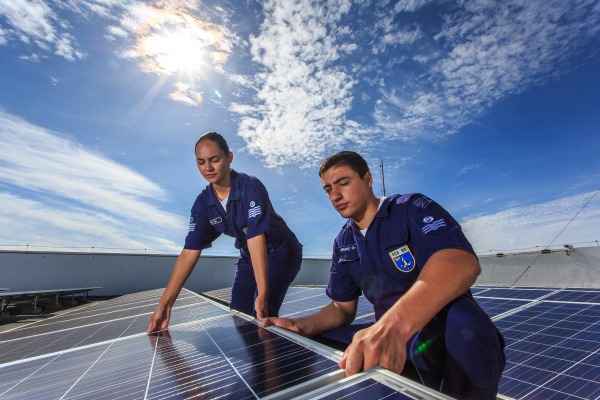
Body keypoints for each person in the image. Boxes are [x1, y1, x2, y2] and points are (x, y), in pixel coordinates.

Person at [263, 151, 505, 399]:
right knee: (316, 343)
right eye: (328, 189)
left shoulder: (411, 208)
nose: (335, 196)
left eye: (343, 183)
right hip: (391, 336)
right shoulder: (344, 241)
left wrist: (394, 328)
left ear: (367, 179)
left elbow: (459, 261)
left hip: (440, 336)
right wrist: (300, 325)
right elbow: (341, 308)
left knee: (464, 321)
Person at [148, 131, 302, 332]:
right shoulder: (203, 205)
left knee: (262, 312)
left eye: (214, 160)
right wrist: (165, 305)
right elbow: (189, 252)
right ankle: (255, 359)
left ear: (229, 158)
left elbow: (256, 236)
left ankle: (272, 361)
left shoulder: (250, 187)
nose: (208, 168)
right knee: (239, 312)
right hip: (249, 255)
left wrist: (262, 293)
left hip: (281, 251)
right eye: (201, 162)